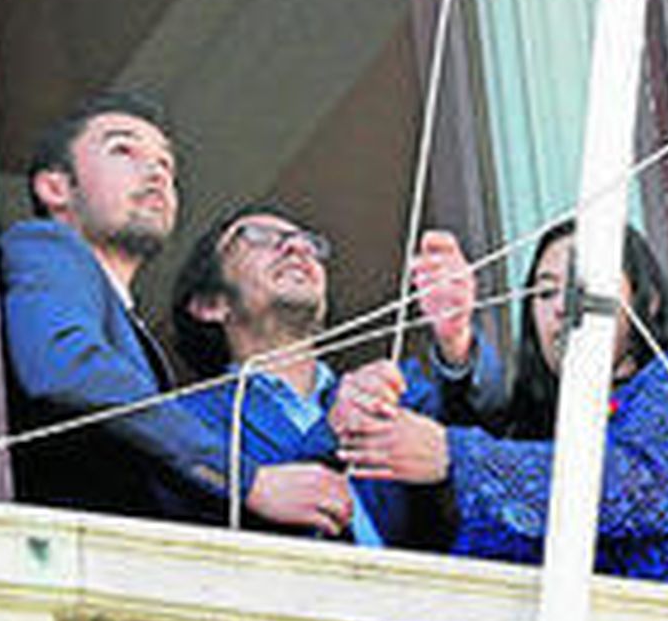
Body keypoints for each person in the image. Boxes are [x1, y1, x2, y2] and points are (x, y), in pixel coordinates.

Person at [335, 219, 668, 590]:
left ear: (646, 299)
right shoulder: (546, 431)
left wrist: (456, 454)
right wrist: (452, 343)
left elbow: (640, 488)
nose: (562, 308)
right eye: (544, 294)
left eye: (584, 286)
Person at [0, 92, 349, 529]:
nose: (155, 172)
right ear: (56, 188)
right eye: (123, 150)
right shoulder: (46, 246)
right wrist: (248, 482)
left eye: (166, 164)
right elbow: (64, 362)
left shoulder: (125, 326)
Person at [170, 208, 505, 546]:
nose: (297, 248)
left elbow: (482, 439)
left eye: (307, 243)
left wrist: (456, 341)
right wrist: (329, 434)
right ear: (210, 304)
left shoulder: (393, 395)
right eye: (259, 237)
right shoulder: (185, 421)